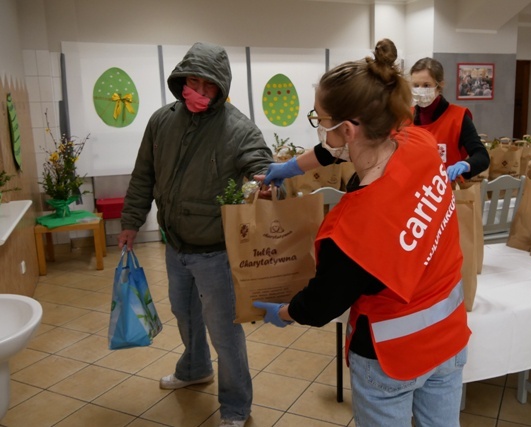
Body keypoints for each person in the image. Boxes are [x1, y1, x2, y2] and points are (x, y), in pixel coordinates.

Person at [253, 39, 470, 427]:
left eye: (320, 120)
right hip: (448, 338)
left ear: (348, 129)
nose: (320, 128)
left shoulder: (350, 229)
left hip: (390, 357)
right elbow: (335, 149)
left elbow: (322, 305)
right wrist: (290, 167)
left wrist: (285, 313)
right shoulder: (417, 142)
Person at [118, 42, 275, 427]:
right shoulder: (161, 121)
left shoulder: (238, 128)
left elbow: (261, 163)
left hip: (215, 252)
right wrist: (130, 221)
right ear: (181, 80)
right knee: (185, 316)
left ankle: (237, 406)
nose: (199, 93)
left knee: (225, 332)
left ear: (221, 88)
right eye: (193, 82)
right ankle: (194, 369)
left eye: (208, 87)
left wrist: (266, 180)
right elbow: (143, 176)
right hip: (174, 245)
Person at [264, 57, 489, 186]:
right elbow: (334, 150)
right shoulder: (404, 118)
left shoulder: (456, 117)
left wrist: (465, 166)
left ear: (440, 85)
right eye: (416, 85)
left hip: (436, 195)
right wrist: (290, 167)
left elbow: (481, 156)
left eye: (427, 85)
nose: (421, 91)